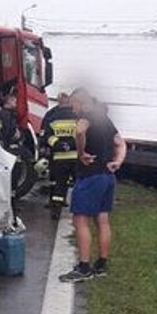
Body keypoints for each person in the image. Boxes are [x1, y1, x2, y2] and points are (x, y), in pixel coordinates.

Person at [59, 90, 126, 283]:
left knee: (80, 221)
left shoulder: (86, 117)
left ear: (81, 102)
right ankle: (101, 265)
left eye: (73, 105)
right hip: (107, 176)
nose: (73, 109)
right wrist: (118, 162)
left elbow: (79, 131)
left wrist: (81, 152)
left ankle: (84, 267)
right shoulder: (105, 119)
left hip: (90, 177)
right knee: (102, 220)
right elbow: (121, 144)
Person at [40, 93, 79, 219]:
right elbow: (81, 135)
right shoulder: (77, 117)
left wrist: (58, 144)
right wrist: (72, 145)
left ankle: (55, 209)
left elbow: (47, 137)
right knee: (79, 183)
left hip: (58, 157)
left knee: (59, 184)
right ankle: (80, 210)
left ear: (58, 102)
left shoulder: (52, 117)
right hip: (76, 157)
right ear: (69, 102)